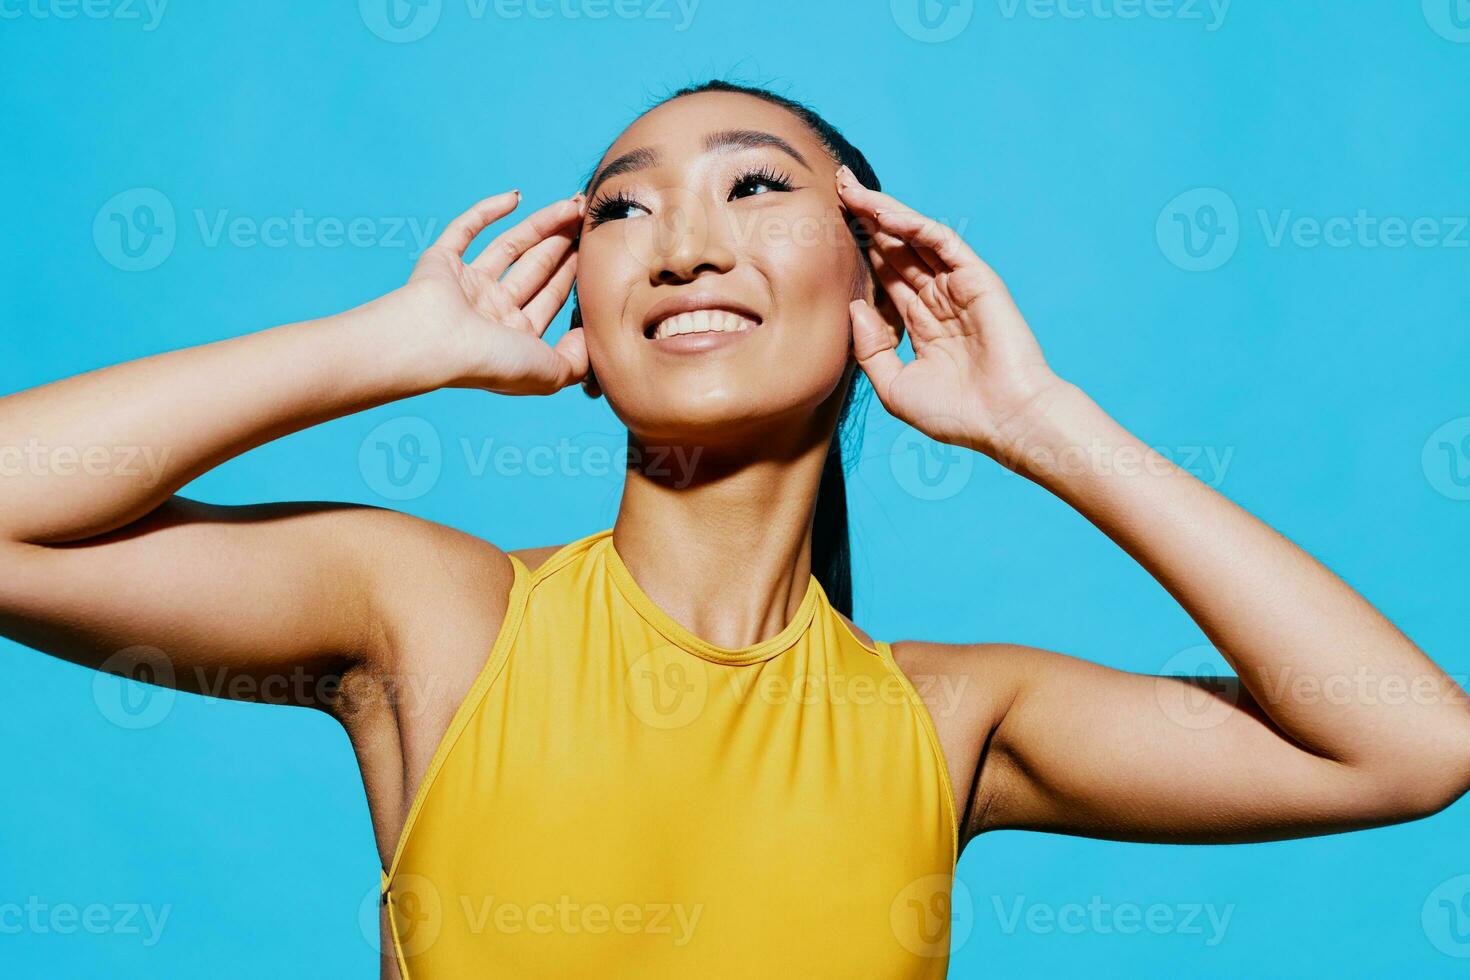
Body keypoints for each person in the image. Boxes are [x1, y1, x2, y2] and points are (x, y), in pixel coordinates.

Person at [2, 80, 1467, 978]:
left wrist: (1040, 421)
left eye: (755, 187)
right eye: (621, 214)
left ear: (873, 287)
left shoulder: (946, 719)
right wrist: (379, 346)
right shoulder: (434, 616)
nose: (684, 242)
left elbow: (1407, 746)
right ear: (582, 313)